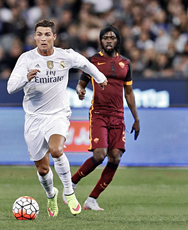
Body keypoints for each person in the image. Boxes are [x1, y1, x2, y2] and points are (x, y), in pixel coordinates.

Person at [7, 19, 108, 217]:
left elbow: (86, 64)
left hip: (58, 114)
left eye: (47, 35)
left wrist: (100, 78)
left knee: (56, 149)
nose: (43, 38)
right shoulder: (26, 59)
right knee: (43, 170)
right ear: (35, 37)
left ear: (54, 37)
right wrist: (26, 78)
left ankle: (69, 192)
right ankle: (51, 195)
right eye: (39, 35)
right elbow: (10, 87)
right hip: (34, 118)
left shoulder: (65, 56)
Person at [66, 25, 140, 211]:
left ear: (117, 41)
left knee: (115, 158)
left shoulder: (126, 63)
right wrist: (80, 91)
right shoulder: (92, 62)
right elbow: (80, 85)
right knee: (99, 155)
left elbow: (129, 93)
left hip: (118, 115)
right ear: (101, 41)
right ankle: (71, 184)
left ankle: (92, 200)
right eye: (105, 37)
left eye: (112, 37)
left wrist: (136, 118)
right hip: (99, 113)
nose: (109, 40)